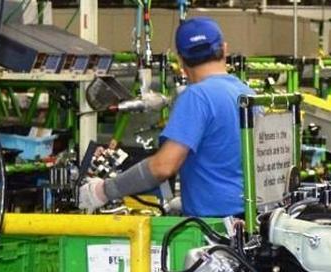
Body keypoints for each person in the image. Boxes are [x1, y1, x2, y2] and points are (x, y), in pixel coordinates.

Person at [79, 17, 254, 216]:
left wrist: (104, 190)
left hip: (215, 229)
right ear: (224, 49)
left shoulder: (197, 97)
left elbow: (163, 166)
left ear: (180, 60)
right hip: (248, 219)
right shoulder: (247, 93)